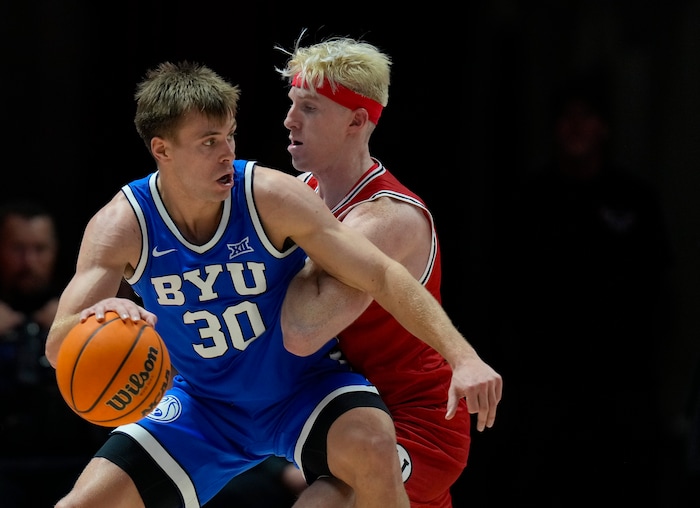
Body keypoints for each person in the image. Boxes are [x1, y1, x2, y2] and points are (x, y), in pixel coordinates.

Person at [44, 60, 498, 508]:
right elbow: (58, 344)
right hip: (205, 404)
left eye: (229, 136)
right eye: (208, 142)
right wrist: (98, 317)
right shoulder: (122, 225)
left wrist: (464, 355)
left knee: (373, 447)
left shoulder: (271, 195)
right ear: (162, 150)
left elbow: (380, 273)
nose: (226, 153)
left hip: (301, 390)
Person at [270, 34, 502, 507]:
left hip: (416, 419)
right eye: (293, 103)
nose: (289, 120)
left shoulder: (386, 219)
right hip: (345, 408)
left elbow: (300, 330)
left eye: (310, 108)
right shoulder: (300, 192)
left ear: (357, 120)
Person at [491, 72, 672, 505]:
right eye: (566, 117)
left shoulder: (634, 199)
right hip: (544, 379)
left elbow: (660, 286)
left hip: (622, 379)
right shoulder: (531, 200)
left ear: (603, 126)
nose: (575, 127)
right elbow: (507, 286)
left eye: (586, 116)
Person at [0, 199, 108, 507]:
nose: (28, 260)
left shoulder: (88, 308)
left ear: (55, 251)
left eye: (39, 249)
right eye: (17, 248)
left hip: (74, 462)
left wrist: (79, 332)